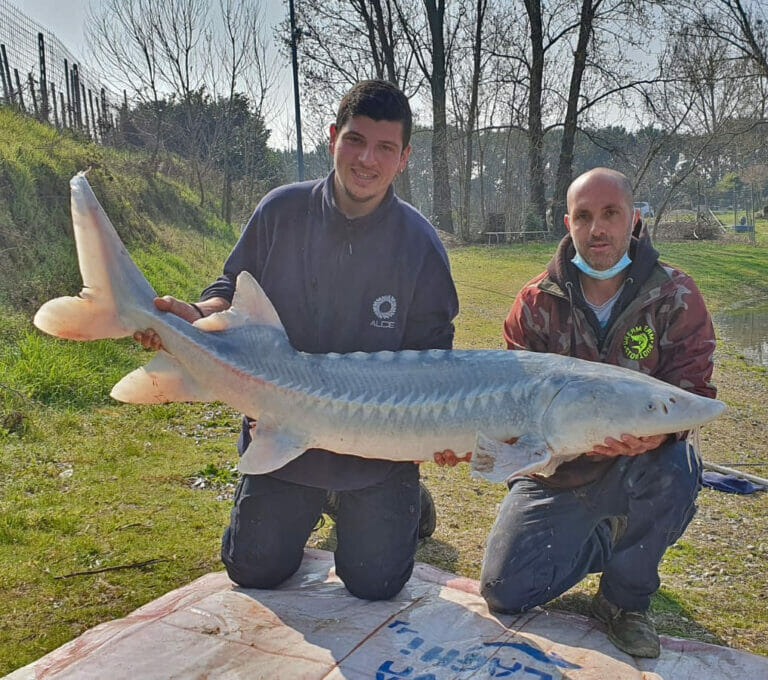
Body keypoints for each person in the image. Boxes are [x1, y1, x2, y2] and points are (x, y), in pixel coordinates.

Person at [135, 80, 459, 600]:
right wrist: (195, 316)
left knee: (375, 584)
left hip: (375, 455)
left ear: (403, 159)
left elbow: (434, 369)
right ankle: (313, 499)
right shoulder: (281, 211)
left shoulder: (420, 246)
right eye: (355, 140)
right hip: (284, 432)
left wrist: (443, 436)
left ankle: (406, 500)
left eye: (385, 148)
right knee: (254, 570)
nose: (366, 159)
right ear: (332, 137)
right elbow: (229, 293)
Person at [479, 168, 716, 658]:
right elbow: (513, 410)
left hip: (642, 465)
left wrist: (658, 438)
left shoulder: (674, 294)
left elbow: (692, 389)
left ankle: (623, 601)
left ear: (634, 218)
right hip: (559, 471)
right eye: (584, 217)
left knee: (675, 468)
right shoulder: (535, 302)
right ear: (568, 222)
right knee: (505, 590)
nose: (597, 229)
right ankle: (610, 533)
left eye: (611, 214)